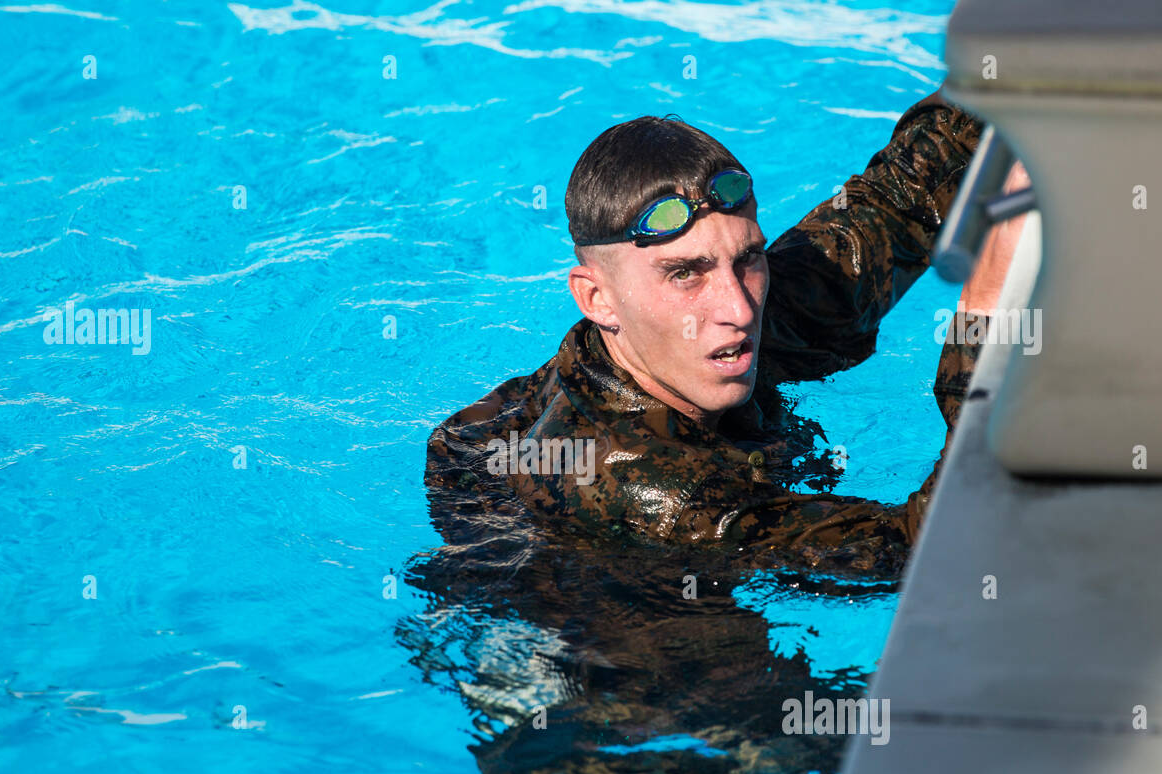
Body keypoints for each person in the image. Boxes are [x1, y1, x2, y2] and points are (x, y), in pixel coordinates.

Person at [426, 90, 1009, 579]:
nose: (739, 307)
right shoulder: (656, 490)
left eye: (748, 257)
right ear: (597, 299)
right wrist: (988, 321)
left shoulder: (697, 329)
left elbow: (899, 199)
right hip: (635, 642)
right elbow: (940, 556)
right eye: (685, 273)